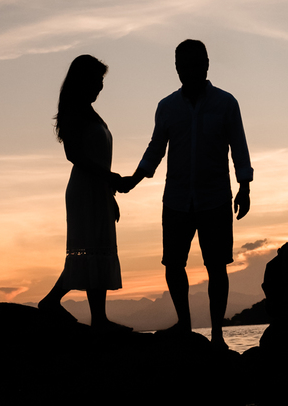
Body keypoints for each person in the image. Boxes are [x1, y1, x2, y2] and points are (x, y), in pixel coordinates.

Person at [122, 39, 252, 349]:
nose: (190, 71)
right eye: (184, 66)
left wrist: (244, 186)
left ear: (207, 64)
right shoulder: (167, 107)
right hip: (177, 199)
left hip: (216, 198)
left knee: (217, 266)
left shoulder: (226, 103)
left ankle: (218, 334)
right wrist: (134, 179)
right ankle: (185, 324)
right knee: (174, 264)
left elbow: (239, 146)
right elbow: (156, 148)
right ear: (177, 69)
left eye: (196, 64)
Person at [38, 54, 126, 329]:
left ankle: (98, 317)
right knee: (88, 251)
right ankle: (53, 302)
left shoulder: (88, 111)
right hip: (85, 190)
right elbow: (73, 154)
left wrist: (109, 192)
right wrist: (109, 178)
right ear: (83, 81)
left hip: (98, 189)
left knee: (97, 250)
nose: (100, 87)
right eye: (97, 80)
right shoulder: (75, 111)